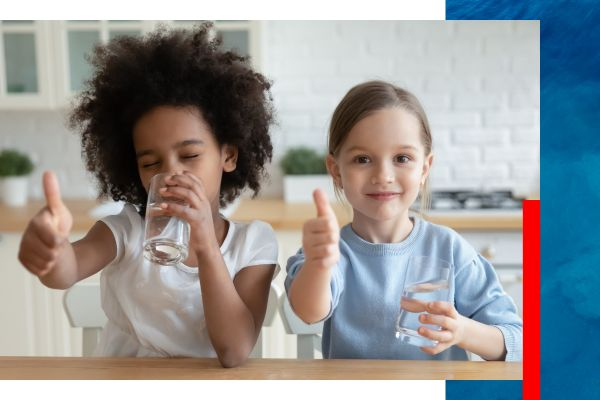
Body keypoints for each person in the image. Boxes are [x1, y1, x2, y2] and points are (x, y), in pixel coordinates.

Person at [18, 23, 278, 368]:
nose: (169, 174)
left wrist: (203, 240)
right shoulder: (126, 231)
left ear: (228, 156)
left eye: (189, 156)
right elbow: (66, 270)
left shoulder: (254, 244)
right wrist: (51, 252)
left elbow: (233, 351)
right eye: (150, 162)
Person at [285, 80, 522, 361]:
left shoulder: (450, 249)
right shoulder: (329, 252)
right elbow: (308, 312)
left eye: (401, 158)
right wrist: (318, 265)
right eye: (362, 159)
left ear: (424, 168)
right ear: (336, 171)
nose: (383, 175)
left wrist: (463, 331)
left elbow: (518, 342)